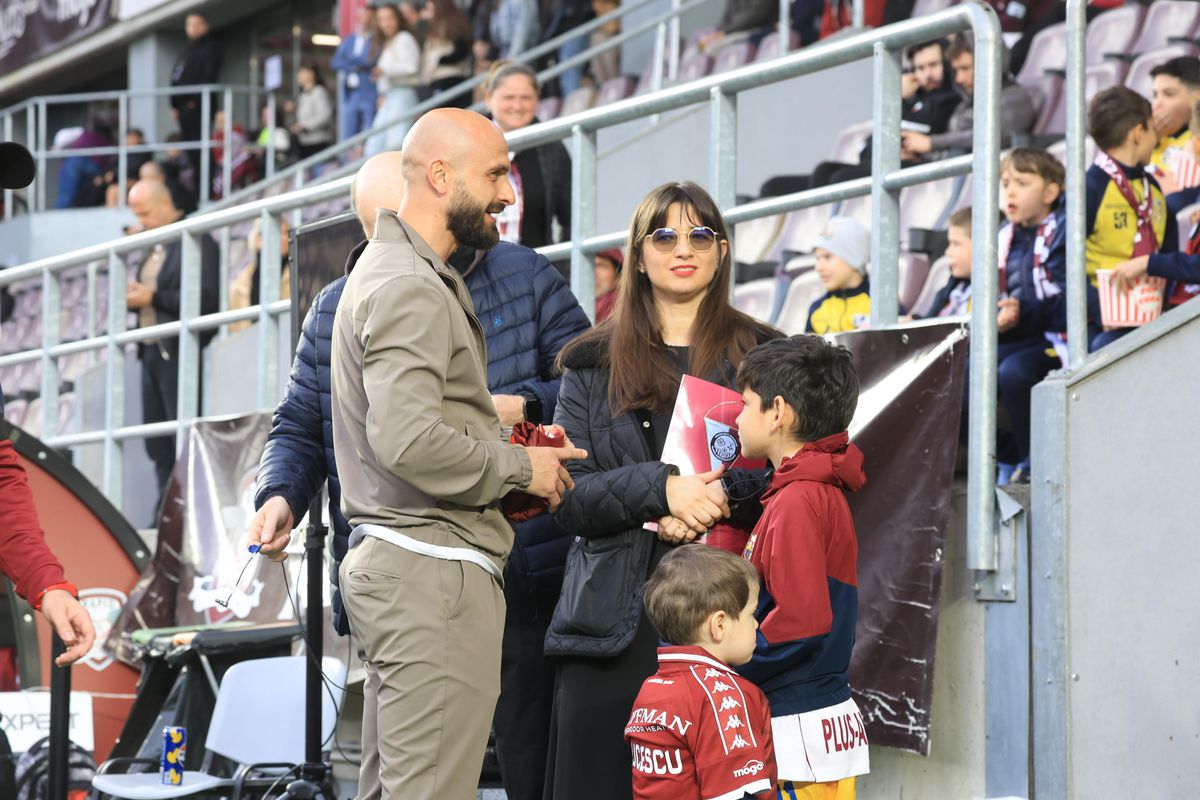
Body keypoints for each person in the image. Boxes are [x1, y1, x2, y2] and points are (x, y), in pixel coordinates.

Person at [249, 147, 590, 800]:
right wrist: (280, 493)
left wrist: (524, 404)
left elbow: (585, 379)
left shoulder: (523, 274)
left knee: (512, 760)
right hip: (425, 565)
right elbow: (305, 422)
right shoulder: (346, 302)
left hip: (515, 563)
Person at [544, 181, 779, 800]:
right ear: (639, 255)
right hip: (610, 625)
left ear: (722, 251)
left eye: (700, 235)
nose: (684, 248)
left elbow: (787, 469)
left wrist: (715, 498)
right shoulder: (589, 362)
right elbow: (567, 497)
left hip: (721, 617)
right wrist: (663, 490)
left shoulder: (766, 354)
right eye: (665, 235)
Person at [734, 334, 869, 799]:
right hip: (811, 716)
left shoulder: (799, 500)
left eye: (744, 403)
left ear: (777, 412)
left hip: (798, 722)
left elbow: (800, 625)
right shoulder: (805, 490)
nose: (735, 416)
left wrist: (719, 666)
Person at [625, 544, 777, 800]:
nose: (756, 623)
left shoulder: (650, 688)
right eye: (751, 613)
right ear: (719, 625)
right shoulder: (727, 696)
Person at [124, 180, 219, 498]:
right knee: (158, 443)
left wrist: (152, 296)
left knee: (181, 437)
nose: (141, 222)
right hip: (150, 350)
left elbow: (206, 300)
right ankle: (166, 508)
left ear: (166, 204)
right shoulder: (153, 245)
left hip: (179, 351)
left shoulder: (197, 240)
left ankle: (185, 506)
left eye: (146, 213)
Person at [1084, 86, 1189, 352]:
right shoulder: (1091, 187)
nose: (1156, 140)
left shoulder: (1153, 187)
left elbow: (1167, 252)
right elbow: (1060, 259)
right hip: (1100, 319)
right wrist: (1097, 307)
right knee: (1102, 347)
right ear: (1137, 133)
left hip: (1151, 314)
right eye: (1153, 130)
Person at [995, 148, 1068, 483]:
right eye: (1006, 182)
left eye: (1022, 183)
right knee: (961, 374)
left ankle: (1031, 461)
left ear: (1050, 193)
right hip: (1022, 333)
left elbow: (1071, 305)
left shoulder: (1062, 231)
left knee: (1014, 372)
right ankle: (1004, 454)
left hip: (1058, 337)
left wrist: (1021, 313)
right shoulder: (1004, 236)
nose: (1010, 191)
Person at [899, 33, 1037, 166]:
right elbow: (953, 153)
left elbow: (991, 136)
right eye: (956, 70)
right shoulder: (966, 102)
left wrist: (932, 143)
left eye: (965, 68)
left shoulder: (1014, 98)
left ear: (990, 63)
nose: (959, 78)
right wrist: (920, 158)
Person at [485, 63, 572, 250]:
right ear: (488, 98)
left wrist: (562, 268)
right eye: (509, 97)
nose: (517, 106)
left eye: (526, 98)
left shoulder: (552, 148)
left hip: (531, 270)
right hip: (473, 273)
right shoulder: (467, 142)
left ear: (537, 100)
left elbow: (572, 218)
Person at [169, 13, 223, 176]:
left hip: (199, 107)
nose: (193, 28)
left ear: (205, 26)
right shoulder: (187, 50)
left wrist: (194, 100)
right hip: (184, 108)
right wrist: (175, 105)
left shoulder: (210, 48)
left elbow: (209, 76)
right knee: (192, 151)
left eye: (196, 24)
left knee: (202, 149)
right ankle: (199, 191)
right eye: (189, 25)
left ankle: (207, 190)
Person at [366, 3, 422, 157]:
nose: (386, 23)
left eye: (390, 18)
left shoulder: (404, 38)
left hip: (403, 93)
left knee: (394, 144)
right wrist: (383, 92)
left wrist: (385, 71)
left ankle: (395, 180)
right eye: (381, 19)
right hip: (390, 96)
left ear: (398, 19)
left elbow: (412, 67)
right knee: (374, 146)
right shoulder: (388, 42)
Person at [1146, 56, 1200, 204]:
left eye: (1169, 94)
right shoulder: (1143, 139)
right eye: (1155, 95)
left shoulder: (1196, 138)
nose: (1157, 104)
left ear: (1196, 98)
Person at [805, 216, 871, 334]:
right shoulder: (817, 309)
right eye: (817, 258)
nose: (819, 267)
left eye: (827, 257)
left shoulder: (881, 304)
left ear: (854, 257)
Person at [229, 216, 291, 334]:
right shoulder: (239, 285)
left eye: (285, 233)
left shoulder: (298, 275)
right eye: (278, 233)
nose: (284, 239)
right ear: (258, 240)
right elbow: (234, 331)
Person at [331, 5, 382, 139]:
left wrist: (350, 60)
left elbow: (369, 61)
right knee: (348, 130)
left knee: (368, 131)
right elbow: (336, 62)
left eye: (369, 18)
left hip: (369, 91)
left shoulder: (376, 40)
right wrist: (354, 65)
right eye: (363, 17)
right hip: (351, 93)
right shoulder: (351, 39)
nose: (365, 21)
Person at [421, 0, 474, 107]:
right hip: (436, 79)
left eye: (431, 9)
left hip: (450, 79)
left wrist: (441, 60)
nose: (428, 13)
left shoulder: (451, 26)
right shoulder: (435, 27)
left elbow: (462, 49)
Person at [291, 63, 335, 160]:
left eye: (302, 72)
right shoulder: (303, 95)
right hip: (305, 143)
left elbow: (325, 115)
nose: (298, 75)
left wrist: (304, 126)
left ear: (311, 74)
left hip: (318, 143)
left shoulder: (319, 92)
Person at [103, 128, 151, 207]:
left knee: (120, 187)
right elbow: (112, 166)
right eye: (128, 137)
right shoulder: (121, 152)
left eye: (132, 137)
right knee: (112, 190)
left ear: (139, 139)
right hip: (120, 180)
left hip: (137, 180)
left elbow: (134, 167)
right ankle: (112, 215)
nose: (129, 140)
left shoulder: (144, 152)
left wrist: (115, 172)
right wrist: (109, 173)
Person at [594, 246, 622, 322]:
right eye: (591, 266)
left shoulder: (626, 307)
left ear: (619, 275)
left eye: (601, 265)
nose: (594, 273)